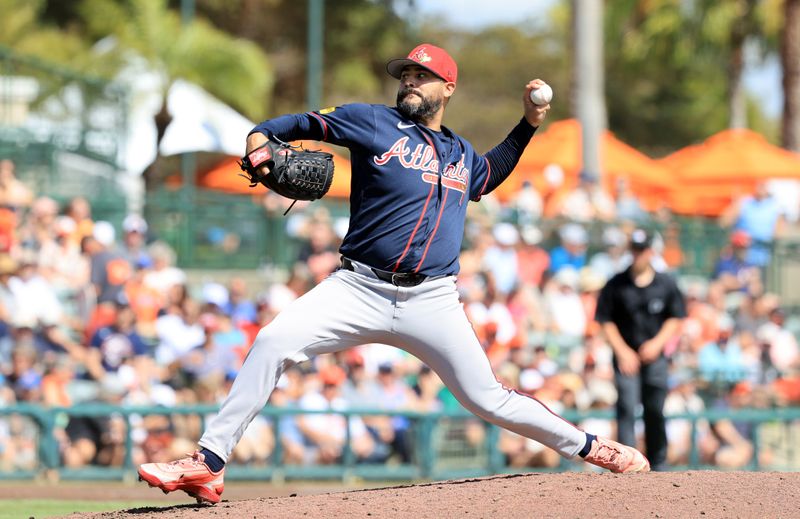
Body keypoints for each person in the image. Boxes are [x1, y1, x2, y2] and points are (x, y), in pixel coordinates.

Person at [138, 42, 649, 505]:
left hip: (432, 300)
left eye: (421, 75)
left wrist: (529, 123)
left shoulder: (461, 154)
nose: (408, 81)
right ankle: (208, 464)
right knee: (272, 341)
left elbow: (489, 175)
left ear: (447, 88)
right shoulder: (372, 122)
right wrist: (258, 138)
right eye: (404, 74)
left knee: (488, 398)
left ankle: (591, 446)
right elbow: (290, 126)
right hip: (357, 286)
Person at [595, 229, 686, 472]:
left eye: (642, 250)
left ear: (651, 251)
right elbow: (605, 320)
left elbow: (676, 318)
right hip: (626, 356)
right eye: (634, 249)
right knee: (625, 406)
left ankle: (658, 462)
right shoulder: (616, 284)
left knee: (655, 407)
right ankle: (625, 463)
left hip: (655, 357)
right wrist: (622, 351)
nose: (637, 255)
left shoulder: (666, 283)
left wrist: (657, 344)